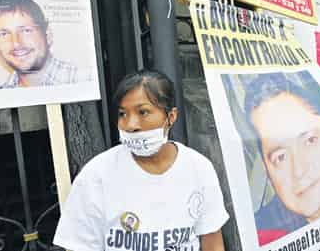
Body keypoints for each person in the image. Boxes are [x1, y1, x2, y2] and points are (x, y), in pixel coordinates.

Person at [53, 70, 229, 251]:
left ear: (171, 117)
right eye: (123, 114)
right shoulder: (96, 176)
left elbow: (212, 242)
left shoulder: (198, 168)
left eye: (143, 112)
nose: (131, 125)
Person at [243, 72, 320, 245]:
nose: (298, 170)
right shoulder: (261, 235)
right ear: (267, 170)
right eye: (280, 157)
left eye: (310, 141)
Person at [0, 0, 82, 88]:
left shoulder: (84, 80)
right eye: (4, 34)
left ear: (47, 34)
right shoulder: (3, 95)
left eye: (26, 31)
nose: (16, 43)